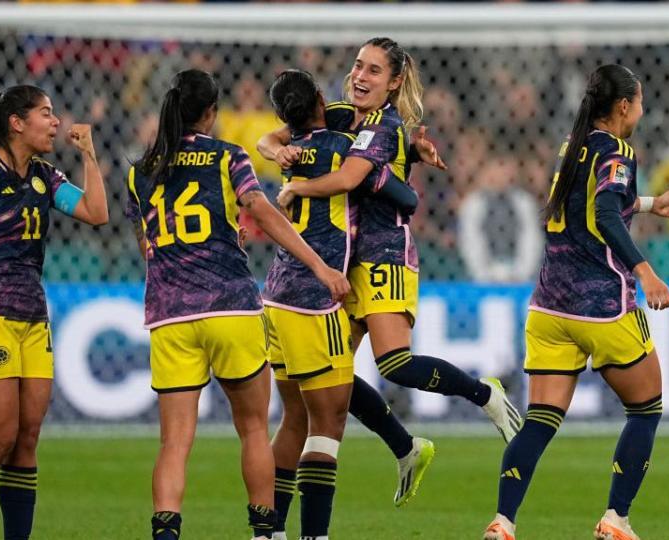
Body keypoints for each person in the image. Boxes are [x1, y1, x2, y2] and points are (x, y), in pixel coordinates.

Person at [265, 35, 521, 467]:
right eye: (358, 66)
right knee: (333, 376)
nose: (360, 76)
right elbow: (269, 137)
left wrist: (296, 187)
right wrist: (279, 149)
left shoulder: (384, 128)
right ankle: (406, 449)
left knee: (395, 364)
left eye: (373, 70)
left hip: (386, 255)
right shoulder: (343, 116)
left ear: (395, 82)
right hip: (344, 259)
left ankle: (484, 394)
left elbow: (349, 179)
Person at [125, 69, 349, 540]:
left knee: (174, 443)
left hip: (170, 315)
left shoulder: (140, 169)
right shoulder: (228, 156)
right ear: (211, 113)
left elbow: (149, 240)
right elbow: (262, 209)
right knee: (251, 429)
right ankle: (263, 531)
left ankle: (166, 533)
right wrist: (320, 267)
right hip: (230, 306)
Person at [481, 65, 669, 540]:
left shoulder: (572, 146)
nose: (641, 109)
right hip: (603, 307)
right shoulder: (619, 150)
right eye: (638, 101)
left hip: (549, 307)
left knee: (539, 421)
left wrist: (650, 202)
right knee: (646, 408)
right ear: (623, 106)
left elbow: (592, 202)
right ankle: (616, 520)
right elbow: (604, 213)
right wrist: (645, 271)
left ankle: (503, 522)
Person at [0, 85, 109, 540]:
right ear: (16, 123)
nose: (55, 122)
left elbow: (95, 213)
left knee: (27, 437)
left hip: (32, 314)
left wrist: (89, 155)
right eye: (45, 114)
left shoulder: (45, 176)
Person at [263, 69, 426, 540]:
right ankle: (315, 534)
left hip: (276, 293)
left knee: (294, 416)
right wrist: (404, 161)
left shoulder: (293, 149)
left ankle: (269, 530)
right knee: (326, 422)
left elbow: (264, 141)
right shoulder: (342, 147)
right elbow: (403, 196)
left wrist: (278, 152)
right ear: (320, 97)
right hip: (317, 298)